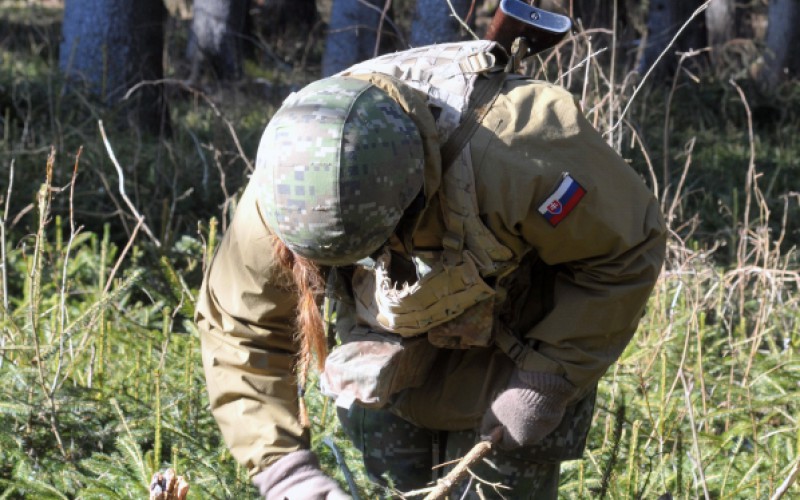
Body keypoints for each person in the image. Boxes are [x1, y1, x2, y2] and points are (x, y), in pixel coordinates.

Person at [195, 40, 667, 499]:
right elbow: (239, 327)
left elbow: (622, 250)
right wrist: (285, 473)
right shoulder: (286, 191)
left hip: (513, 362)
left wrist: (548, 376)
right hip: (388, 369)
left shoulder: (518, 151)